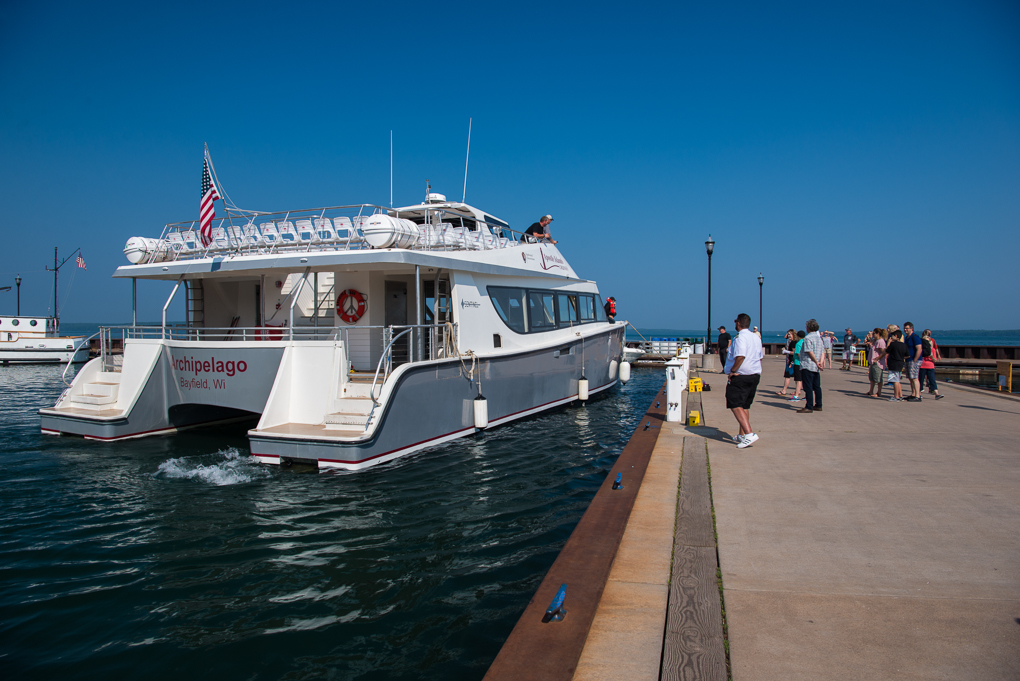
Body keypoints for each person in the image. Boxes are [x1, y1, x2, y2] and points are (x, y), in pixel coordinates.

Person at [724, 313, 764, 449]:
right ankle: (742, 435)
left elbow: (740, 356)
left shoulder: (740, 338)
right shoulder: (755, 337)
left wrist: (733, 371)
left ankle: (749, 434)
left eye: (736, 322)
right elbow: (760, 356)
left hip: (741, 375)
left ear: (739, 323)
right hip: (754, 374)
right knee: (744, 405)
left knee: (734, 403)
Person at [797, 319, 825, 413]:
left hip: (808, 365)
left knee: (808, 386)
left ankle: (809, 406)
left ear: (808, 328)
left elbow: (809, 352)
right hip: (816, 367)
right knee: (817, 386)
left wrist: (816, 362)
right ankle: (818, 404)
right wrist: (820, 363)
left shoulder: (808, 338)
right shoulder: (819, 338)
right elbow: (822, 352)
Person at [919, 329, 945, 400]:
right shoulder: (921, 349)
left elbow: (934, 360)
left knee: (932, 380)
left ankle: (936, 394)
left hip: (930, 366)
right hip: (922, 365)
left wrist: (931, 356)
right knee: (920, 380)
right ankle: (919, 393)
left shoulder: (932, 350)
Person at [885, 330, 907, 401]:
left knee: (895, 381)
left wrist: (888, 343)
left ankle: (896, 396)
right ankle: (900, 395)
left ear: (896, 336)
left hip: (894, 363)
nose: (891, 337)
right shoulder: (904, 345)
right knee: (898, 380)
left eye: (893, 336)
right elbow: (907, 355)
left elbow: (887, 351)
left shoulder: (893, 344)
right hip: (900, 363)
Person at [903, 322, 923, 401]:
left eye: (907, 328)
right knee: (910, 378)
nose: (905, 330)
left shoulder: (915, 337)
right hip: (908, 359)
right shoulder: (906, 338)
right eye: (904, 328)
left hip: (914, 360)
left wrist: (915, 359)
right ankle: (913, 393)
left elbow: (919, 349)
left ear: (911, 328)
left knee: (914, 378)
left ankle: (918, 395)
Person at [866, 327, 887, 397]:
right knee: (872, 378)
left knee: (878, 378)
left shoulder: (880, 341)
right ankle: (871, 391)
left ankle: (879, 392)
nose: (873, 335)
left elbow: (883, 352)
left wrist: (877, 359)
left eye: (874, 333)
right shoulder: (876, 341)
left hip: (878, 363)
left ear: (878, 334)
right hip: (872, 362)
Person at [777, 329, 797, 396]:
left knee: (788, 376)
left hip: (791, 362)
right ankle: (797, 390)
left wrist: (787, 352)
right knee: (796, 377)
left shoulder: (793, 343)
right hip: (791, 361)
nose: (788, 335)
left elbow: (794, 352)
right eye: (788, 334)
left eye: (790, 334)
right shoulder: (792, 342)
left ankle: (784, 390)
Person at [787, 330, 806, 402]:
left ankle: (796, 396)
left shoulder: (798, 343)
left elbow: (798, 353)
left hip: (798, 363)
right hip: (804, 364)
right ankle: (806, 395)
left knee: (798, 380)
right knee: (804, 379)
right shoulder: (804, 342)